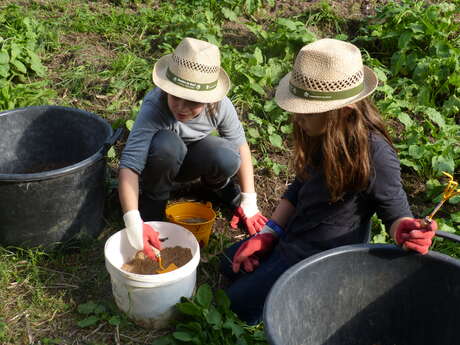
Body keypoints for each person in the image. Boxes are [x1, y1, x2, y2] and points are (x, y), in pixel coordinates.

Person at [220, 38, 437, 325]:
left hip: (318, 260)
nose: (297, 118)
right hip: (292, 237)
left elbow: (395, 214)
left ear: (343, 112)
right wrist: (268, 234)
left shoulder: (375, 154)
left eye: (305, 111)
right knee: (227, 262)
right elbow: (298, 187)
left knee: (235, 307)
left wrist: (407, 231)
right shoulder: (320, 133)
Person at [118, 37, 267, 260]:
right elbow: (130, 165)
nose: (181, 107)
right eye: (176, 97)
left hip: (192, 160)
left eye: (193, 102)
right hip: (160, 162)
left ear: (209, 100)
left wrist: (249, 201)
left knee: (226, 154)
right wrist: (133, 220)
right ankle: (155, 199)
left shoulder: (220, 106)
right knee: (167, 145)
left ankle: (216, 187)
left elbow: (241, 147)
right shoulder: (155, 106)